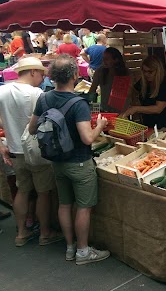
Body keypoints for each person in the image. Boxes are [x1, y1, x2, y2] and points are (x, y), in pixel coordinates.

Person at [28, 54, 111, 265]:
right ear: (75, 75)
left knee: (64, 204)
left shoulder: (44, 98)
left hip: (56, 161)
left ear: (52, 76)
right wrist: (99, 125)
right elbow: (87, 138)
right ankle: (83, 251)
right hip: (80, 162)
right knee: (83, 207)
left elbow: (32, 128)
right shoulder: (78, 103)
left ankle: (70, 247)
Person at [0, 57, 63, 247]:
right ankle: (45, 233)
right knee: (43, 192)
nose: (42, 78)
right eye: (41, 74)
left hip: (15, 150)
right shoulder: (36, 93)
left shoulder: (2, 90)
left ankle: (21, 233)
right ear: (33, 72)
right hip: (37, 151)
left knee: (22, 190)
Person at [120, 56, 166, 129]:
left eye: (150, 72)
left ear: (158, 71)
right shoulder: (144, 82)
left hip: (165, 126)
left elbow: (158, 108)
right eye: (144, 71)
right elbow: (133, 91)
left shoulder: (165, 83)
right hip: (148, 125)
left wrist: (136, 108)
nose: (146, 74)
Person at [88, 47, 130, 113]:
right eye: (103, 59)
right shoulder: (100, 71)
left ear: (116, 60)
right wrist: (93, 110)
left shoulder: (125, 72)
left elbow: (128, 94)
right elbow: (92, 91)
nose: (104, 61)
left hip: (121, 111)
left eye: (107, 59)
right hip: (105, 109)